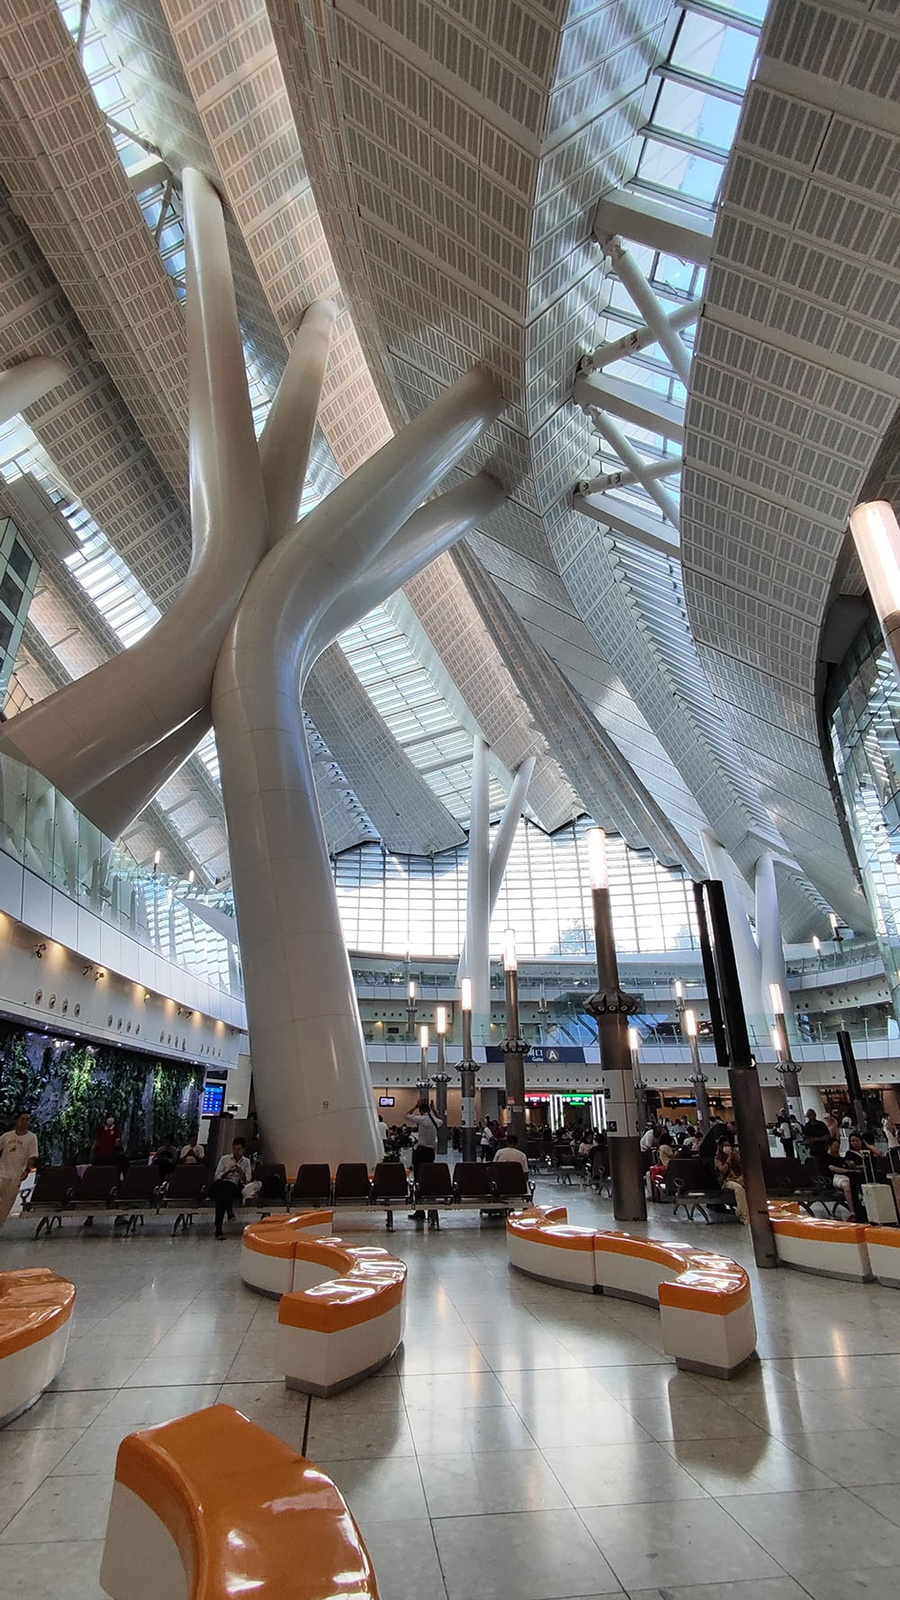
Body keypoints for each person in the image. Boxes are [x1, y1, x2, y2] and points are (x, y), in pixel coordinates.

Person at [406, 1099, 443, 1221]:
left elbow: (407, 1115)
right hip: (431, 1152)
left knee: (418, 1179)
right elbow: (441, 1120)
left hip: (421, 1151)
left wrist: (415, 1106)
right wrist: (434, 1110)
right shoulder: (436, 1121)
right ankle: (430, 1208)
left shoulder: (422, 1119)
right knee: (428, 1179)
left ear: (421, 1110)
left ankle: (420, 1210)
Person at [0, 1112, 38, 1228]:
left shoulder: (32, 1138)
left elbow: (32, 1155)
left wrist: (27, 1170)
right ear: (17, 1120)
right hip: (1, 1173)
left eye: (27, 1119)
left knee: (5, 1206)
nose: (24, 1122)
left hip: (15, 1177)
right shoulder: (7, 1136)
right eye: (22, 1119)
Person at [210, 1137, 252, 1238]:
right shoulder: (224, 1159)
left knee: (221, 1196)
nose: (236, 1152)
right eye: (234, 1149)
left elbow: (248, 1180)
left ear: (243, 1150)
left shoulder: (246, 1162)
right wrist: (228, 1172)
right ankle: (229, 1211)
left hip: (235, 1186)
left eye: (239, 1149)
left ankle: (219, 1229)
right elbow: (217, 1176)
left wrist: (241, 1173)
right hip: (222, 1184)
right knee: (223, 1188)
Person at [714, 1137, 749, 1223]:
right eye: (725, 1145)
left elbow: (741, 1168)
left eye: (728, 1145)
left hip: (738, 1177)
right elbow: (723, 1171)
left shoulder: (735, 1156)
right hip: (727, 1181)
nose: (727, 1147)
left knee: (749, 1186)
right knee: (739, 1188)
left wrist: (737, 1157)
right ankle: (744, 1215)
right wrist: (729, 1159)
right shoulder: (718, 1159)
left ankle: (740, 1211)